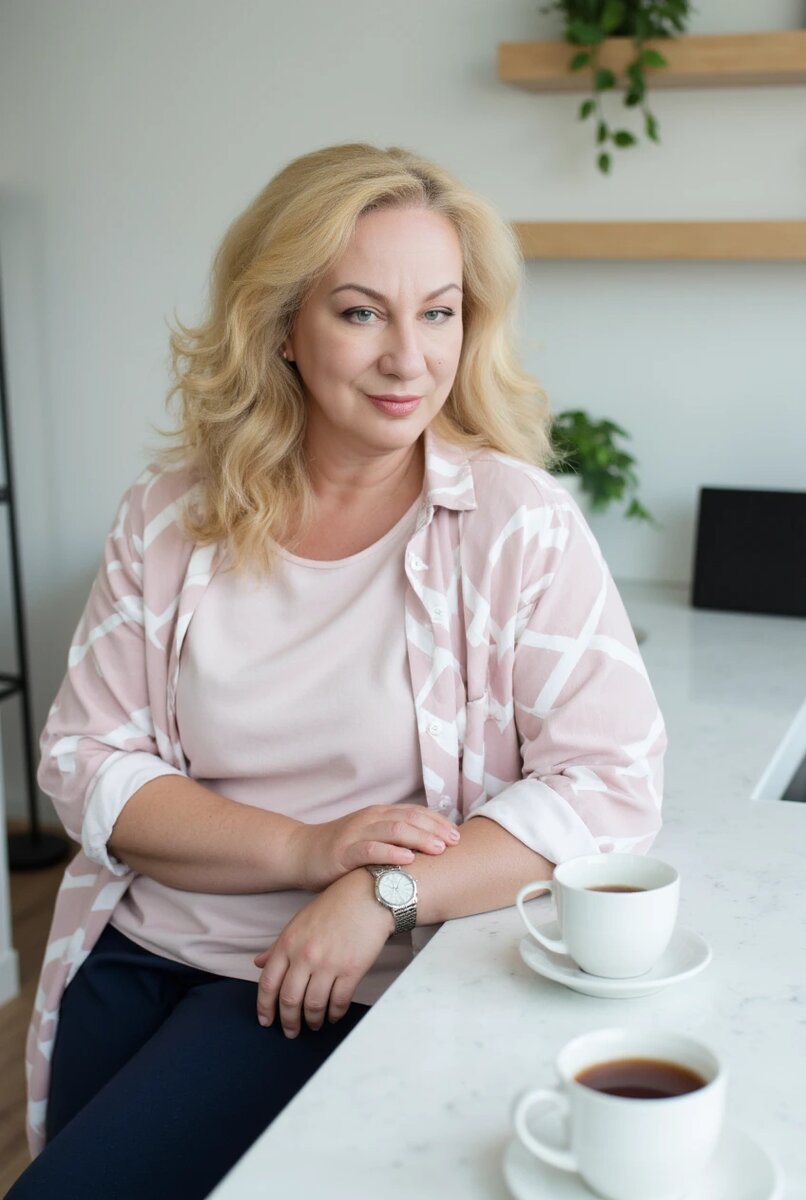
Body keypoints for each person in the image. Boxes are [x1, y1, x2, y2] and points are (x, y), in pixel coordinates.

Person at [8, 142, 666, 1199]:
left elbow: (609, 784)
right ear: (279, 328)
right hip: (133, 951)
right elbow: (86, 760)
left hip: (333, 984)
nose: (409, 358)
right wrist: (307, 847)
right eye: (362, 313)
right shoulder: (168, 515)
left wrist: (381, 893)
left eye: (438, 313)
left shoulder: (515, 523)